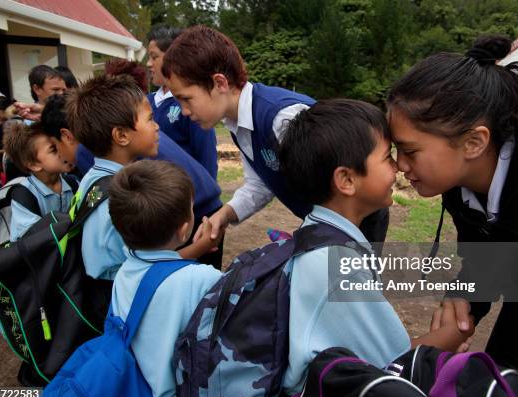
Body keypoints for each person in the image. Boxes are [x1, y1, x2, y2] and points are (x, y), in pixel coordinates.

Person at [387, 36, 518, 372]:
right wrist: (466, 299)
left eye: (411, 151)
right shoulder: (461, 181)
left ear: (474, 141)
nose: (400, 165)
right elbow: (489, 256)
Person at [278, 99, 471, 395]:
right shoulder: (337, 265)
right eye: (386, 157)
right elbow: (393, 366)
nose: (398, 166)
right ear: (346, 179)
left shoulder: (316, 235)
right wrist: (455, 333)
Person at [163, 25, 389, 247]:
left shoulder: (283, 118)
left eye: (186, 99)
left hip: (355, 224)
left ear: (219, 83)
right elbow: (260, 184)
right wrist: (223, 216)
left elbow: (340, 187)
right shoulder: (237, 123)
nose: (184, 111)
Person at [64, 74, 220, 281]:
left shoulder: (93, 179)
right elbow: (141, 273)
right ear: (121, 136)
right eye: (149, 119)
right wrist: (199, 248)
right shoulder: (120, 196)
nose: (157, 126)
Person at [108, 160, 221, 397]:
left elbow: (160, 270)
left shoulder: (126, 269)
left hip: (135, 389)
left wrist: (196, 248)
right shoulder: (202, 279)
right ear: (183, 230)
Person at [146, 25, 218, 179]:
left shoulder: (192, 104)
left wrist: (209, 198)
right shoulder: (146, 102)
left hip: (185, 196)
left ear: (173, 57)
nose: (148, 64)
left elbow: (207, 158)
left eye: (154, 57)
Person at [2, 121, 74, 240]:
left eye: (59, 144)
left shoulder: (73, 182)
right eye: (53, 149)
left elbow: (91, 205)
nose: (62, 150)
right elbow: (34, 240)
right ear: (34, 165)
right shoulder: (23, 195)